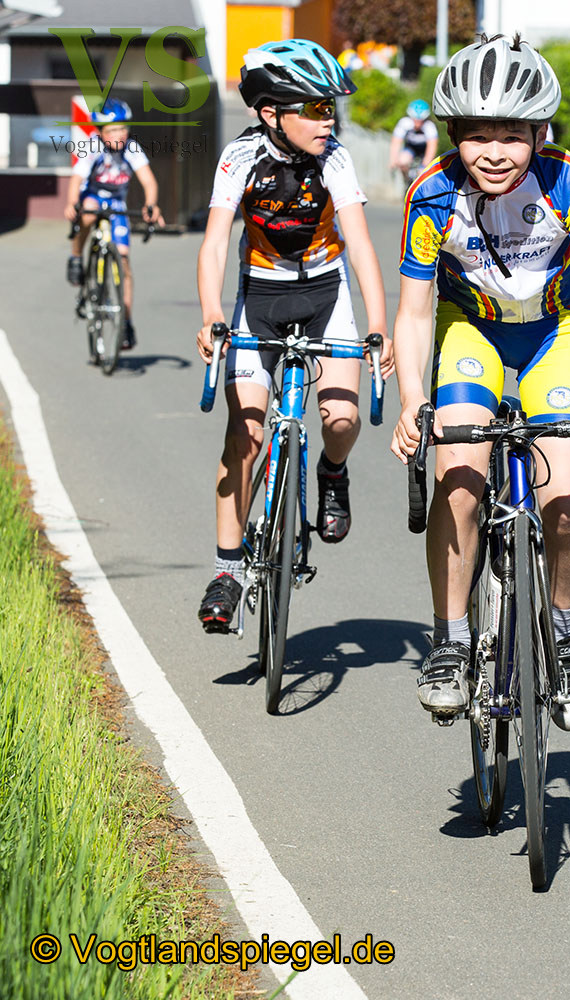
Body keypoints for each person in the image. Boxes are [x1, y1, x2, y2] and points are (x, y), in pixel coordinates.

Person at [391, 34, 570, 730]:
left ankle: (564, 630)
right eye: (478, 136)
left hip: (549, 334)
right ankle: (450, 640)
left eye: (514, 135)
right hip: (470, 331)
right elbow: (413, 313)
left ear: (539, 132)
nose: (497, 152)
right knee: (459, 475)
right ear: (453, 135)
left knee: (566, 500)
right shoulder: (433, 194)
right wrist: (413, 399)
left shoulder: (568, 181)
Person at [196, 39, 393, 632]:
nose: (326, 118)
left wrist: (378, 323)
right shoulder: (240, 157)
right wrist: (210, 312)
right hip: (260, 296)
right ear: (270, 114)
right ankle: (227, 570)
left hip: (325, 295)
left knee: (341, 420)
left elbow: (359, 245)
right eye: (312, 108)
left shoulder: (335, 158)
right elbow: (213, 243)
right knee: (246, 435)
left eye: (329, 106)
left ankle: (332, 472)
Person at [64, 98, 164, 350]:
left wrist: (151, 205)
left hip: (117, 204)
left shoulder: (131, 149)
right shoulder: (92, 147)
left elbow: (149, 182)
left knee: (124, 258)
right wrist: (71, 202)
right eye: (112, 130)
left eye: (122, 128)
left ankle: (126, 322)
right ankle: (76, 256)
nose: (119, 135)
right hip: (93, 198)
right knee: (87, 214)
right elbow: (76, 180)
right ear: (100, 132)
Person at [389, 100, 439, 186]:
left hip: (424, 150)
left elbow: (432, 147)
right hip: (411, 148)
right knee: (402, 161)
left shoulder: (429, 126)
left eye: (420, 120)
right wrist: (393, 159)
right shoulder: (404, 123)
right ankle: (406, 180)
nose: (417, 123)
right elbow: (396, 142)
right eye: (415, 120)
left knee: (423, 172)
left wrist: (424, 166)